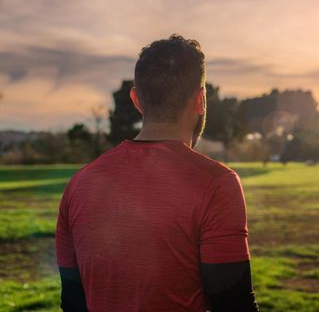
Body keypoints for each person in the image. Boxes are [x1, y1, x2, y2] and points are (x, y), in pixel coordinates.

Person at [55, 34, 259, 312]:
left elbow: (72, 302)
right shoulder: (217, 184)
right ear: (200, 100)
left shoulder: (78, 184)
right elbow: (235, 305)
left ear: (136, 99)